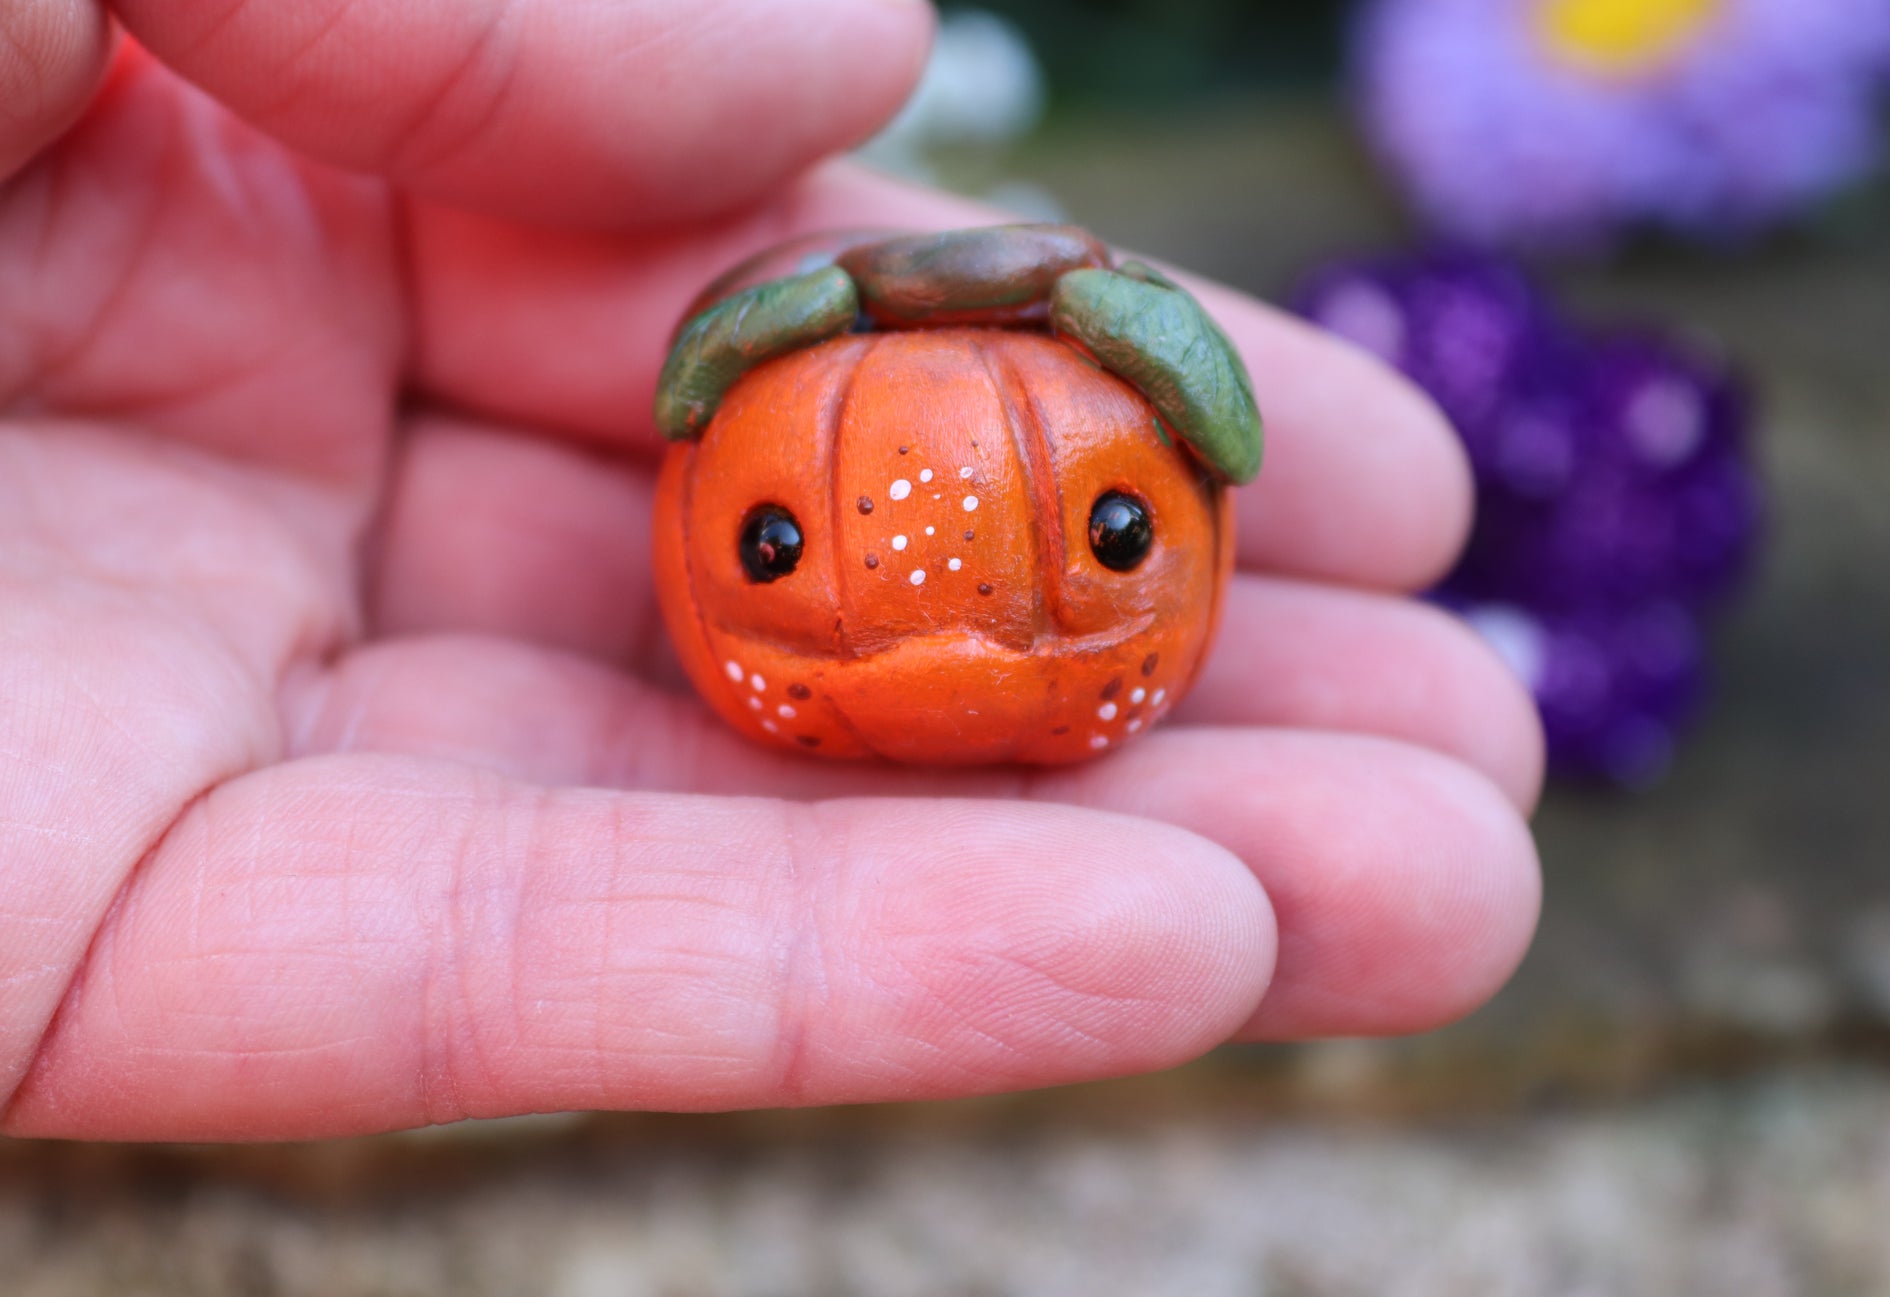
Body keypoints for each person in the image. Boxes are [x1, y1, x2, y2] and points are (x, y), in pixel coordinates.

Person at [0, 0, 1543, 1141]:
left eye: (1111, 533)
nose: (945, 626)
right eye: (777, 540)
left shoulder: (1067, 402)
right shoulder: (785, 403)